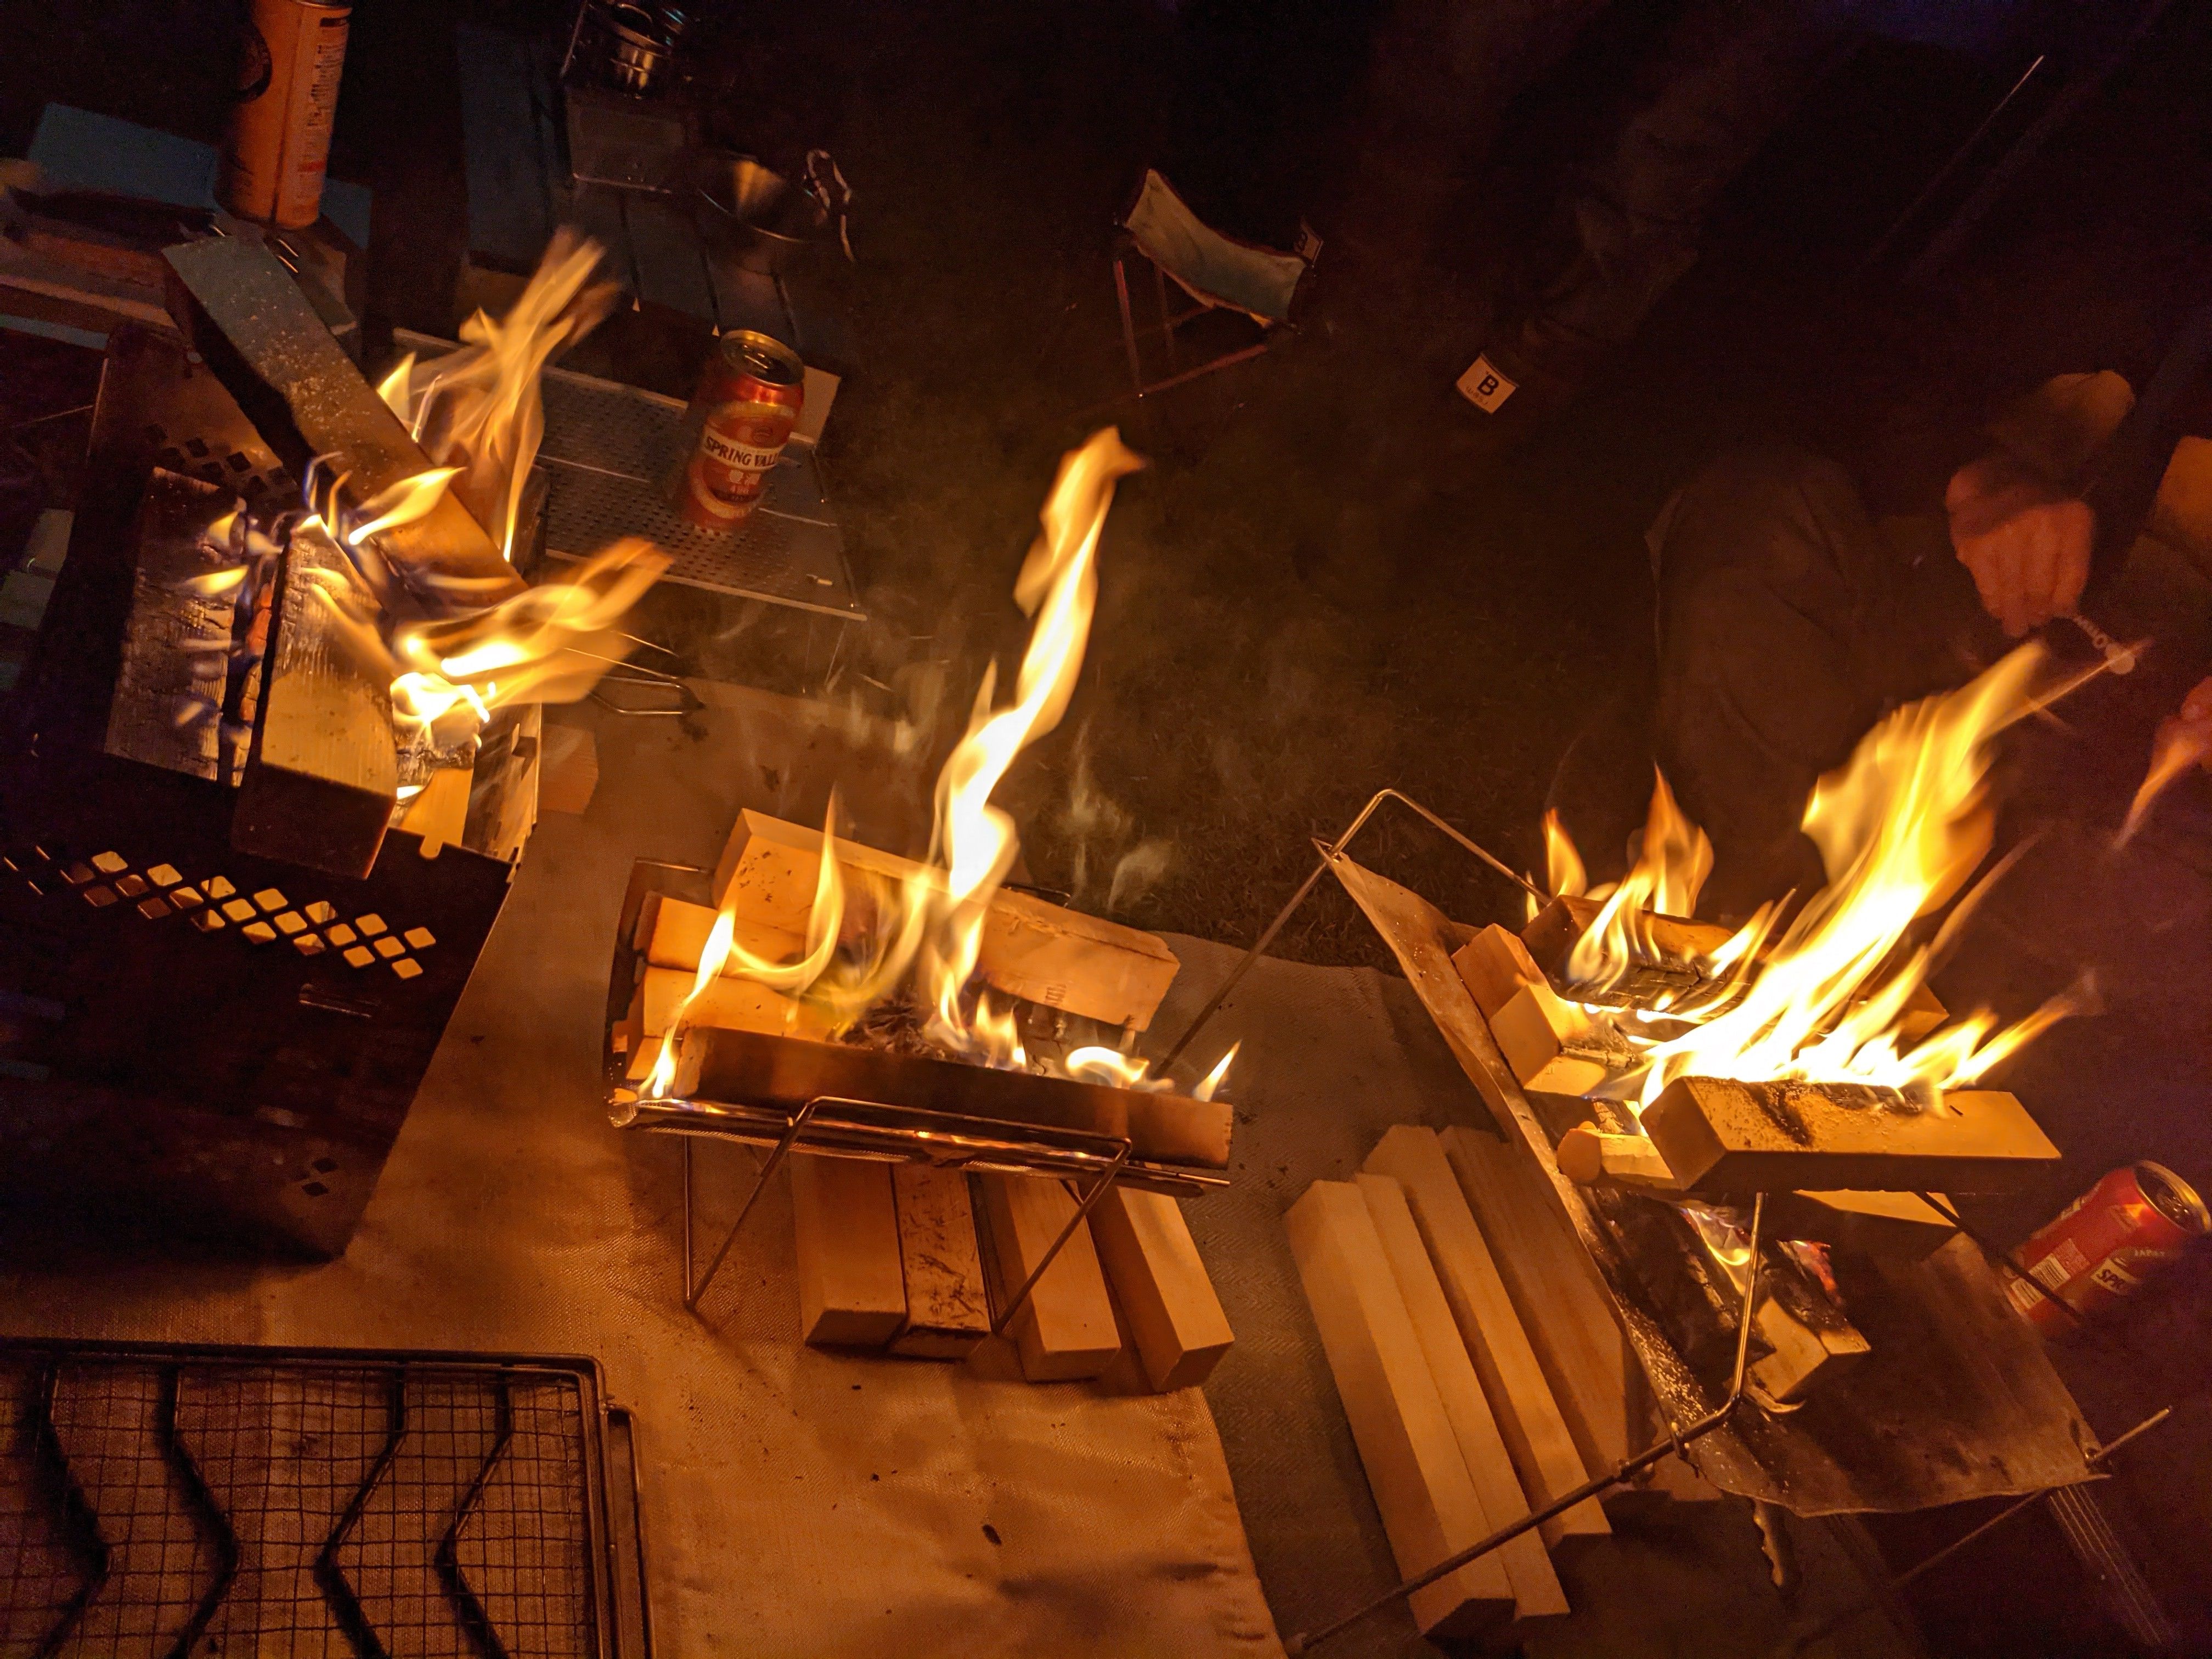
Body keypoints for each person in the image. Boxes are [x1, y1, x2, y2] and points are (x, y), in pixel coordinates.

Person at [1635, 369, 2212, 1222]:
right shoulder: (2163, 313)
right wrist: (1982, 481)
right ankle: (1729, 964)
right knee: (1765, 510)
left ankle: (1850, 1143)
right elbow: (1879, 369)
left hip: (2133, 829)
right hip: (1953, 648)